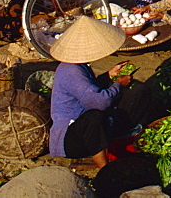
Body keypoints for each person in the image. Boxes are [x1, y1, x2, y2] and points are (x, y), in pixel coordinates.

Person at [48, 16, 152, 169]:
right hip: (70, 138)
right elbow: (100, 102)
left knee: (138, 92)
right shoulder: (71, 70)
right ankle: (105, 168)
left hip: (87, 127)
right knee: (94, 117)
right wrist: (118, 83)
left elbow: (88, 90)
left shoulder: (79, 66)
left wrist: (108, 75)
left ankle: (117, 137)